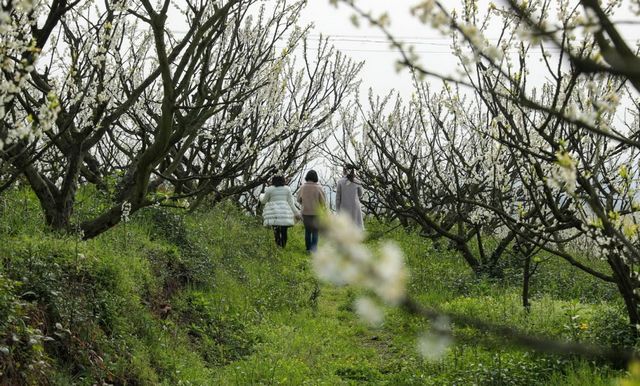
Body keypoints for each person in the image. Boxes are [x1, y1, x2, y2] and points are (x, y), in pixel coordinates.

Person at [260, 175, 300, 248]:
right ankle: (283, 247)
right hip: (284, 214)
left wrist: (261, 196)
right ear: (283, 180)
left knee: (276, 232)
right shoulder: (287, 189)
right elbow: (291, 203)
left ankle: (278, 247)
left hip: (274, 215)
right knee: (284, 231)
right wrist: (297, 213)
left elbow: (263, 201)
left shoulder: (270, 189)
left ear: (273, 180)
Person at [297, 170, 326, 252]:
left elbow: (298, 199)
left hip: (305, 212)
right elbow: (323, 202)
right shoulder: (319, 188)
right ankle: (314, 249)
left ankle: (308, 248)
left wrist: (304, 202)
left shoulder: (302, 187)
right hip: (316, 213)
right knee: (315, 231)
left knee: (307, 231)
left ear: (307, 177)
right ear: (315, 177)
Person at [336, 165, 364, 229]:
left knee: (345, 228)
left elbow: (338, 198)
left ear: (344, 171)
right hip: (355, 207)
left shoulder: (340, 182)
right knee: (356, 227)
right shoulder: (357, 182)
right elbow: (360, 194)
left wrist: (338, 211)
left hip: (344, 207)